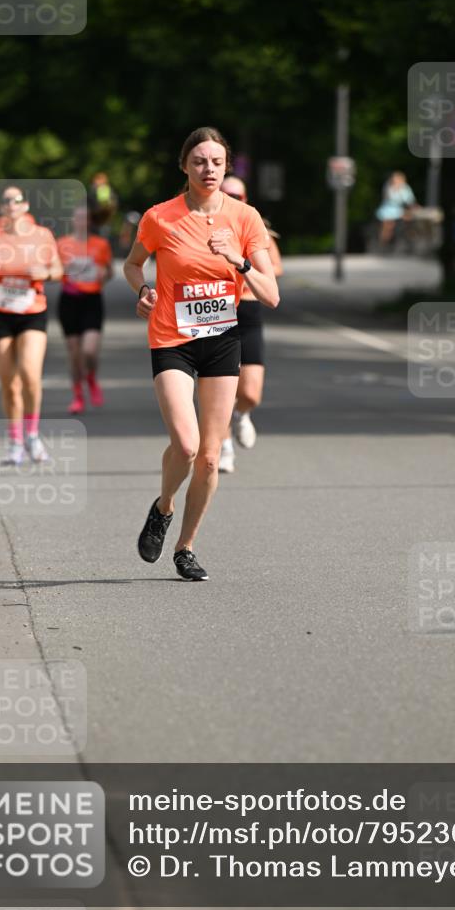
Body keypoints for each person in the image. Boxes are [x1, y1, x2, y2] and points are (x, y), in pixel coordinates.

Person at [123, 127, 279, 581]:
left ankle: (186, 547)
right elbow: (132, 265)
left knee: (211, 456)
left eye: (215, 161)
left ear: (226, 165)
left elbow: (271, 295)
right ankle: (164, 506)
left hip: (222, 341)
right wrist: (146, 289)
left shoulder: (245, 218)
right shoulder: (160, 217)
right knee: (187, 446)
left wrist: (239, 260)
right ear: (184, 167)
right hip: (172, 339)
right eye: (198, 161)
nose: (207, 169)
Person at [0, 186, 62, 464]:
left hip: (32, 311)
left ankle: (32, 435)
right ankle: (15, 441)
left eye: (17, 199)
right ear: (2, 208)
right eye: (6, 200)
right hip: (0, 313)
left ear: (25, 207)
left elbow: (58, 270)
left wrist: (44, 272)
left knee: (30, 375)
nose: (12, 204)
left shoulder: (41, 235)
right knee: (9, 384)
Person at [217, 175, 283, 474]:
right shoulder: (208, 229)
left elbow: (276, 268)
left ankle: (241, 415)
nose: (233, 199)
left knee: (250, 392)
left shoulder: (256, 229)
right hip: (217, 312)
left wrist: (246, 266)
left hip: (250, 310)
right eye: (227, 194)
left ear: (245, 198)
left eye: (238, 195)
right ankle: (224, 446)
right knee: (218, 389)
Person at [57, 205, 113, 413]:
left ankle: (91, 378)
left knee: (89, 351)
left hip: (92, 301)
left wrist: (103, 275)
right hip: (69, 301)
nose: (81, 221)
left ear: (90, 222)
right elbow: (52, 272)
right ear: (72, 220)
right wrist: (62, 270)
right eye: (78, 217)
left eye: (85, 218)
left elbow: (109, 272)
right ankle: (78, 395)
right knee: (74, 353)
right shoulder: (62, 244)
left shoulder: (101, 244)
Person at [375, 171, 416, 248]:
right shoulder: (388, 187)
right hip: (388, 209)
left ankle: (409, 238)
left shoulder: (405, 188)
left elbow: (410, 201)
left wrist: (413, 208)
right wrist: (396, 189)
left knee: (411, 219)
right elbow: (389, 198)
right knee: (388, 224)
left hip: (399, 210)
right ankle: (384, 242)